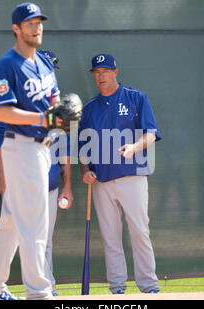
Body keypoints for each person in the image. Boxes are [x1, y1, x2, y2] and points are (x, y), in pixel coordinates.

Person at [0, 2, 64, 300]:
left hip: (41, 149)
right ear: (16, 28)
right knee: (35, 226)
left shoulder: (42, 62)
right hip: (21, 147)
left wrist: (59, 114)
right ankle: (40, 293)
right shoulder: (8, 64)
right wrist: (43, 119)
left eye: (39, 21)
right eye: (29, 23)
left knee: (12, 223)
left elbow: (53, 102)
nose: (36, 27)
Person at [79, 53, 161, 294]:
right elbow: (83, 151)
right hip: (102, 182)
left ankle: (149, 287)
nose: (100, 76)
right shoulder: (90, 109)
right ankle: (117, 289)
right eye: (96, 72)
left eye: (105, 71)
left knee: (140, 231)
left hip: (132, 176)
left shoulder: (136, 98)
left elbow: (151, 133)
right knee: (110, 237)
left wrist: (135, 147)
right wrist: (85, 171)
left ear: (115, 72)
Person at [0, 51, 73, 297]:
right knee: (17, 236)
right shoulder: (13, 106)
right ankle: (7, 287)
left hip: (49, 184)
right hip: (21, 182)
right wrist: (4, 179)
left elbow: (64, 152)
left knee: (43, 239)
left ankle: (46, 288)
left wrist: (67, 185)